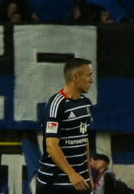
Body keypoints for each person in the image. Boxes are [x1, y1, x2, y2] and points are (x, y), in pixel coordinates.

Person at [36, 58, 97, 194]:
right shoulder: (56, 104)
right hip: (55, 184)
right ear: (76, 77)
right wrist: (72, 174)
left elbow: (83, 138)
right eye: (89, 75)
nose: (92, 81)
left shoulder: (86, 103)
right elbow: (52, 146)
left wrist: (88, 174)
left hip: (80, 181)